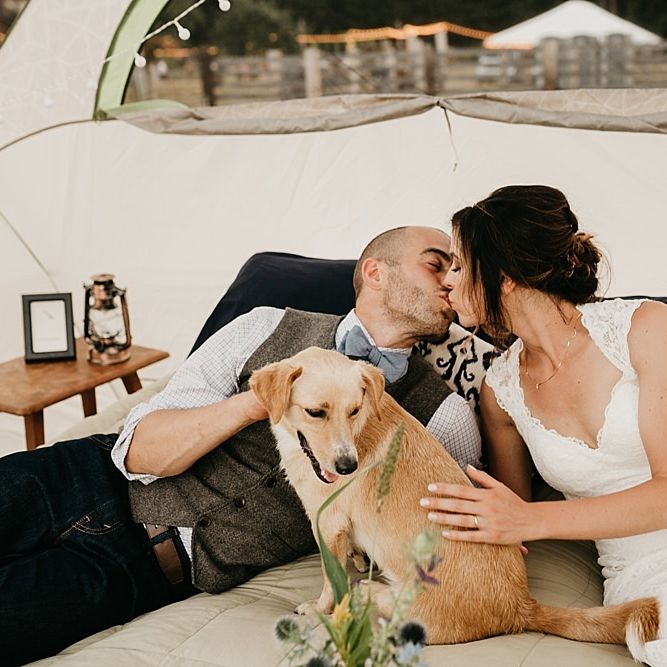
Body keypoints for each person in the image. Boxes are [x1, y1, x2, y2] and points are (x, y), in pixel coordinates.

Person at [0, 226, 482, 665]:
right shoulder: (264, 325)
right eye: (436, 264)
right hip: (81, 475)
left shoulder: (445, 418)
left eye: (459, 272)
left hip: (145, 569)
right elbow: (141, 453)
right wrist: (261, 402)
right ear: (375, 273)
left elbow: (450, 540)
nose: (451, 282)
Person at [421, 185, 667, 665]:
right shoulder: (500, 391)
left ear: (505, 276)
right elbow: (509, 514)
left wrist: (530, 519)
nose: (446, 281)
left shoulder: (645, 327)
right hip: (638, 573)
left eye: (459, 266)